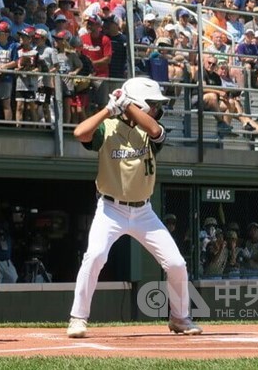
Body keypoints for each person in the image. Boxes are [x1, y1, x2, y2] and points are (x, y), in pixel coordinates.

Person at [67, 77, 201, 338]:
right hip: (110, 209)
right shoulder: (108, 127)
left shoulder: (150, 129)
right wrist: (110, 108)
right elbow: (79, 133)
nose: (157, 108)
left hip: (144, 212)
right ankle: (78, 318)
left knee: (176, 264)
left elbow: (154, 130)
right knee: (94, 257)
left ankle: (180, 318)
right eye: (151, 104)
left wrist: (128, 105)